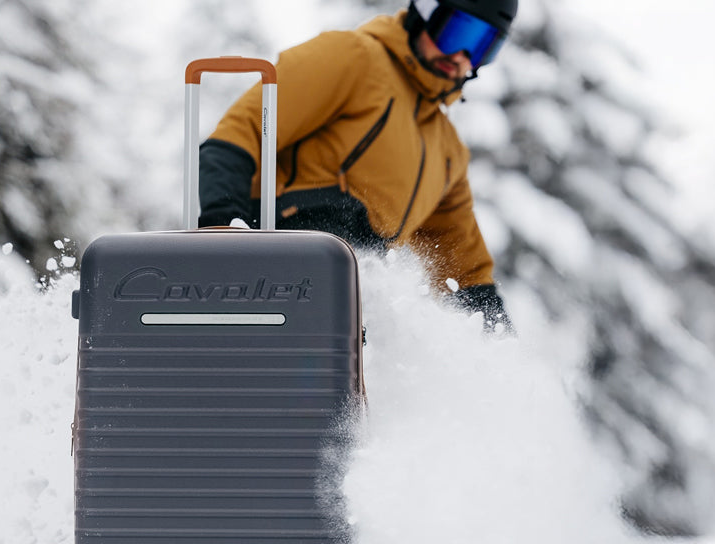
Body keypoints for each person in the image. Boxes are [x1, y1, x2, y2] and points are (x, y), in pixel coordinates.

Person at [199, 0, 517, 331]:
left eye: (482, 46)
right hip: (285, 244)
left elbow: (463, 263)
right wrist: (223, 227)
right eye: (458, 33)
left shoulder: (448, 150)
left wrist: (496, 339)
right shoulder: (354, 57)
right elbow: (241, 132)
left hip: (356, 282)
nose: (461, 56)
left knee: (388, 307)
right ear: (424, 15)